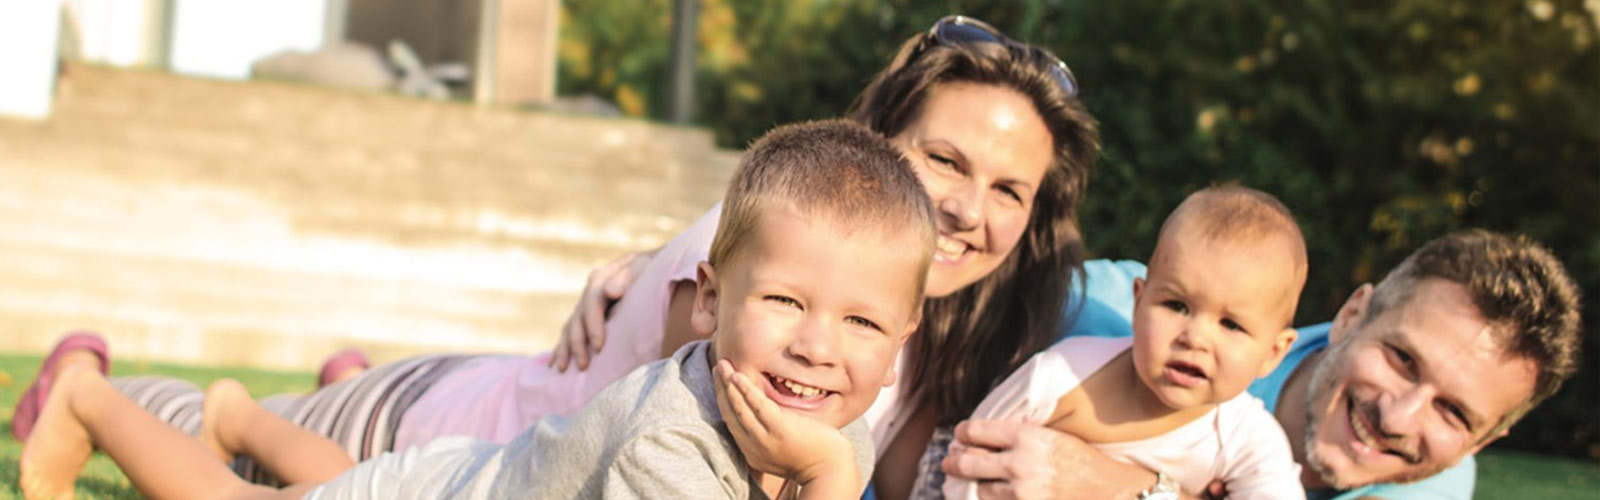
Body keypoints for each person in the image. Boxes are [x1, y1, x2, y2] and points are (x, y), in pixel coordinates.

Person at [9, 15, 1098, 495]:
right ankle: (101, 398)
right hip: (453, 422)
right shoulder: (759, 315)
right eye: (941, 161)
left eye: (1008, 188)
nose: (964, 207)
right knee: (230, 482)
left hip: (492, 470)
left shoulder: (899, 316)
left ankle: (264, 410)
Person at [17, 119, 934, 500]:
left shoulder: (828, 427)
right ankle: (88, 403)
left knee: (341, 481)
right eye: (784, 301)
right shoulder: (678, 444)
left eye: (860, 322)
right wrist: (825, 480)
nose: (818, 346)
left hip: (476, 472)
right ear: (704, 304)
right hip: (454, 490)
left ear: (902, 340)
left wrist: (825, 467)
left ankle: (237, 413)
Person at [940, 229, 1583, 500]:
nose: (1397, 415)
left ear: (1484, 441)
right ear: (1353, 316)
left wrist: (1121, 486)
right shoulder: (1106, 320)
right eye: (1402, 359)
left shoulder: (1437, 485)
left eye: (1453, 411)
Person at [929, 185, 1308, 500]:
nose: (1195, 337)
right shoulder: (1060, 377)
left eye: (1231, 325)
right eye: (1176, 305)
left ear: (1273, 352)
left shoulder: (1249, 442)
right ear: (1139, 299)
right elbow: (962, 463)